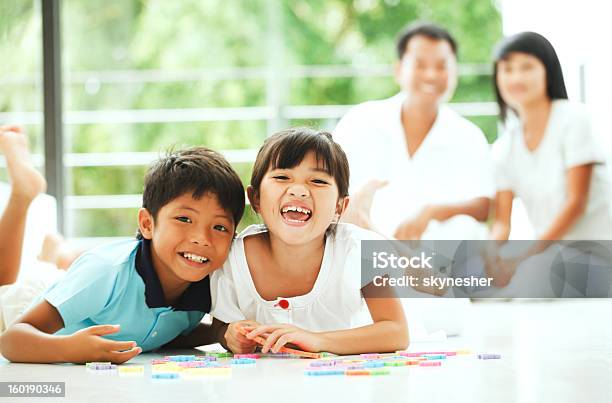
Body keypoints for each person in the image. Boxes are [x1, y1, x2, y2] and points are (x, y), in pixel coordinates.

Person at [0, 147, 245, 363]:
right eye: (184, 219)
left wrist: (219, 332)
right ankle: (38, 222)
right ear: (147, 224)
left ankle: (56, 252)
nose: (202, 238)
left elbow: (161, 333)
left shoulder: (208, 282)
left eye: (220, 227)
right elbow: (11, 339)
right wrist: (68, 349)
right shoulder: (106, 271)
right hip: (19, 309)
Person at [210, 128, 408, 355]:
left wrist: (316, 340)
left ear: (339, 207)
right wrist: (232, 336)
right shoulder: (232, 255)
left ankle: (364, 218)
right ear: (256, 199)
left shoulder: (360, 251)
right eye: (282, 177)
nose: (298, 190)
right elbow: (221, 327)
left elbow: (397, 332)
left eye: (318, 181)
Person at [333, 22, 494, 241]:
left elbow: (485, 205)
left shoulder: (469, 136)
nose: (431, 75)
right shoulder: (359, 122)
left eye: (441, 66)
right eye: (420, 65)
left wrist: (432, 212)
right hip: (363, 255)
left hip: (442, 263)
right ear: (398, 70)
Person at [488, 32, 612, 286]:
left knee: (533, 279)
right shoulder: (504, 147)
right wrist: (490, 257)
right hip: (552, 257)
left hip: (597, 253)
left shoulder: (574, 120)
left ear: (548, 71)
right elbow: (502, 222)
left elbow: (576, 202)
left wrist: (525, 256)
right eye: (507, 69)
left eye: (527, 67)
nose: (516, 77)